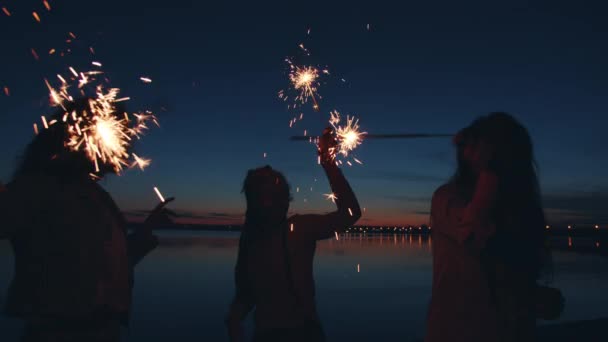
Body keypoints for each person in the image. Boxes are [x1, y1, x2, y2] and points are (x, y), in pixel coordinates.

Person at [0, 98, 174, 342]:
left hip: (102, 331)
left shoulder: (95, 196)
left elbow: (101, 264)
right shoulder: (39, 188)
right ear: (80, 134)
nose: (126, 146)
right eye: (118, 135)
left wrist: (147, 230)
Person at [225, 127, 361, 342]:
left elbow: (244, 297)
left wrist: (234, 321)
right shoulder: (295, 230)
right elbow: (350, 213)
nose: (269, 166)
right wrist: (327, 160)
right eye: (269, 179)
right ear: (273, 199)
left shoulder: (251, 238)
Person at [425, 112, 548, 342]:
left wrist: (534, 297)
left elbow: (507, 271)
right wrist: (489, 169)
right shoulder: (447, 198)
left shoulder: (515, 206)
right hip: (457, 332)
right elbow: (474, 235)